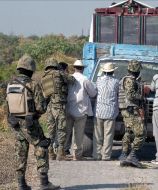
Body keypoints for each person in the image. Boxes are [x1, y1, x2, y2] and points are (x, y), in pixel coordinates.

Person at [6, 54, 59, 190]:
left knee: (21, 152)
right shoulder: (33, 84)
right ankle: (44, 183)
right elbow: (41, 108)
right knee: (41, 146)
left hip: (16, 123)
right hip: (30, 124)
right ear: (31, 70)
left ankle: (21, 184)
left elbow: (8, 105)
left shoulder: (10, 83)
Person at [41, 58, 75, 161]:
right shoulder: (59, 73)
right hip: (60, 105)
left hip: (49, 106)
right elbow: (72, 80)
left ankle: (50, 152)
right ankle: (61, 153)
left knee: (51, 130)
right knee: (61, 129)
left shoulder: (44, 76)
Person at [65, 60, 97, 160]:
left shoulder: (68, 78)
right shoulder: (85, 79)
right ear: (82, 68)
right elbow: (93, 93)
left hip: (69, 108)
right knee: (78, 134)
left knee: (66, 132)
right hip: (81, 111)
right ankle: (76, 155)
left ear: (74, 68)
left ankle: (63, 152)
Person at [118, 60, 146, 168]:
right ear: (137, 70)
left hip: (127, 109)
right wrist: (141, 97)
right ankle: (132, 156)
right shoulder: (130, 80)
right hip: (130, 109)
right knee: (141, 133)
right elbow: (130, 96)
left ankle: (124, 155)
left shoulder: (128, 79)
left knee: (129, 132)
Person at [93, 62, 119, 161]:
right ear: (113, 71)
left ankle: (96, 154)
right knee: (108, 136)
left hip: (99, 111)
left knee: (97, 135)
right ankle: (106, 156)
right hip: (111, 112)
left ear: (103, 71)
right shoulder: (116, 82)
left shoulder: (98, 81)